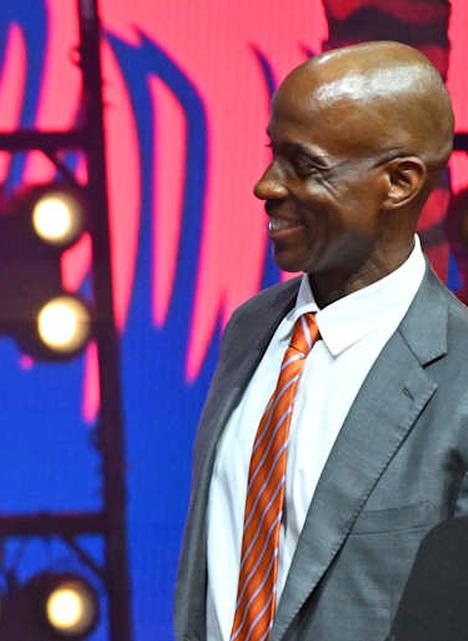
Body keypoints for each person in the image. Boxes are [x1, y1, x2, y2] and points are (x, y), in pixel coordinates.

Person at [174, 41, 467, 641]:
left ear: (400, 183)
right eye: (271, 155)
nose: (265, 186)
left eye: (303, 166)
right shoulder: (251, 331)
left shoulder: (460, 373)